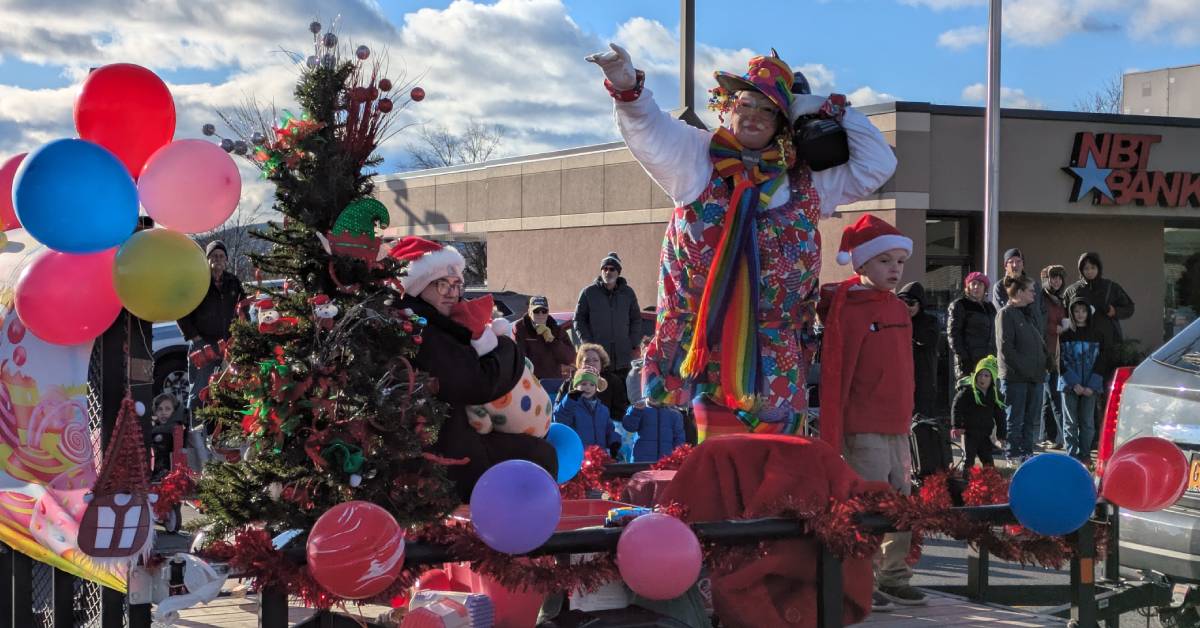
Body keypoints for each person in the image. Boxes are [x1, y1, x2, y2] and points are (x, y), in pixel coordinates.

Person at [587, 45, 896, 437]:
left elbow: (879, 163)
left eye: (768, 110)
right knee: (709, 469)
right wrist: (625, 84)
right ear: (728, 107)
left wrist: (820, 106)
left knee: (776, 471)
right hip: (697, 354)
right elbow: (648, 128)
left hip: (776, 360)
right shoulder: (695, 156)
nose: (753, 116)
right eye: (746, 103)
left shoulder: (807, 180)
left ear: (785, 121)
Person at [390, 236, 557, 502]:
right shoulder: (420, 329)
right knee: (539, 458)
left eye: (456, 285)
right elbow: (476, 381)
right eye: (442, 285)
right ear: (418, 286)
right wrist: (506, 348)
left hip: (458, 444)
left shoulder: (445, 323)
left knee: (540, 456)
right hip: (450, 456)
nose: (453, 293)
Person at [817, 215, 925, 607]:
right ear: (861, 264)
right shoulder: (850, 309)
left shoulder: (897, 309)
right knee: (868, 506)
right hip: (863, 428)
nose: (894, 268)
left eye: (899, 261)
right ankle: (859, 578)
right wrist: (835, 430)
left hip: (898, 424)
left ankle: (894, 574)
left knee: (902, 503)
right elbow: (837, 372)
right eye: (884, 261)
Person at [177, 240, 245, 432]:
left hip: (229, 344)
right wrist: (195, 337)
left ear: (227, 260)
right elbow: (181, 310)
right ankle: (196, 436)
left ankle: (225, 433)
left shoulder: (234, 282)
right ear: (206, 260)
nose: (218, 259)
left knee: (229, 388)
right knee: (199, 391)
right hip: (203, 345)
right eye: (213, 256)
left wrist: (241, 331)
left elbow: (244, 307)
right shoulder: (197, 282)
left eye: (221, 256)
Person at [995, 275, 1047, 463]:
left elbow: (1038, 342)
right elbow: (1007, 348)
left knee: (1030, 419)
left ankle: (1027, 452)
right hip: (1016, 377)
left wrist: (1044, 363)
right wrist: (1025, 369)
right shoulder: (1006, 314)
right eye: (1030, 289)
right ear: (1019, 292)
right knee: (1015, 419)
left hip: (1034, 377)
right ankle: (1013, 454)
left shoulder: (1029, 314)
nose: (1034, 293)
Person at [573, 251, 642, 380]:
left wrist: (632, 343)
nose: (607, 272)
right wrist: (589, 344)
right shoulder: (589, 293)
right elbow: (578, 319)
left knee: (623, 397)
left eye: (612, 269)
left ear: (618, 272)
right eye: (604, 268)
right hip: (598, 361)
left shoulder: (628, 293)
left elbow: (636, 319)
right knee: (600, 396)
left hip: (623, 360)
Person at [1058, 296, 1106, 465]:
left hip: (1090, 386)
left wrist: (1092, 385)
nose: (1080, 314)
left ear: (1088, 313)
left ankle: (1085, 455)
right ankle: (1071, 456)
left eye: (1083, 311)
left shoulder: (1097, 335)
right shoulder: (1064, 335)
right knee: (1070, 422)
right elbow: (1059, 361)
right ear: (1071, 313)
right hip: (1070, 385)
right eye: (1076, 311)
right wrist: (1073, 383)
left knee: (1087, 422)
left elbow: (1102, 361)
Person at [950, 356, 1006, 469]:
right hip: (969, 433)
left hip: (985, 434)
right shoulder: (968, 391)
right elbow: (956, 407)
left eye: (986, 375)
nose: (982, 378)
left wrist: (1001, 435)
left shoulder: (995, 395)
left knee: (988, 462)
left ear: (992, 378)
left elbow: (1000, 416)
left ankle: (991, 482)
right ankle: (963, 480)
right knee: (968, 461)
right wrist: (956, 426)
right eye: (980, 375)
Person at [553, 366, 620, 457]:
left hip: (600, 456)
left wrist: (614, 442)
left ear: (596, 388)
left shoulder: (603, 409)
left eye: (592, 385)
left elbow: (609, 430)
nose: (588, 388)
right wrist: (569, 400)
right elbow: (560, 419)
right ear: (576, 386)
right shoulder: (571, 406)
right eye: (584, 384)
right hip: (579, 456)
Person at [557, 343, 629, 421]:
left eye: (595, 360)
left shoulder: (613, 381)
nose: (591, 363)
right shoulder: (569, 384)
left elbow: (620, 412)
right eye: (587, 360)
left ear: (601, 363)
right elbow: (558, 412)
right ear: (580, 364)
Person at [947, 272, 997, 382]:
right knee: (968, 395)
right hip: (968, 361)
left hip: (988, 360)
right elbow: (953, 335)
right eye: (973, 284)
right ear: (967, 287)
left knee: (987, 396)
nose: (976, 287)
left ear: (985, 288)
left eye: (980, 284)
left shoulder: (990, 307)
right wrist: (964, 358)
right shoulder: (960, 305)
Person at [899, 282, 939, 418]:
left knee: (921, 423)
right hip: (899, 379)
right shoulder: (893, 321)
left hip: (922, 379)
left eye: (910, 303)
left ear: (920, 304)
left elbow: (927, 342)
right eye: (901, 302)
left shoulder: (930, 322)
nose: (906, 307)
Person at [1039, 265, 1069, 449]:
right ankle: (1064, 437)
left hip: (1059, 351)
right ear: (1046, 279)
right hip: (1046, 352)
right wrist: (1055, 329)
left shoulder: (1061, 299)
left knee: (1047, 397)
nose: (1056, 281)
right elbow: (1039, 322)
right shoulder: (1041, 299)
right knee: (1055, 395)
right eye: (1053, 278)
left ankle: (1046, 435)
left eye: (1059, 278)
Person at [514, 295, 576, 381]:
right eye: (536, 311)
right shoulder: (521, 328)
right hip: (530, 382)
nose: (540, 314)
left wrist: (552, 340)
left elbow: (569, 358)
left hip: (553, 381)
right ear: (529, 312)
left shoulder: (556, 329)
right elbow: (520, 360)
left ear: (548, 312)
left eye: (544, 311)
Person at [993, 248, 1045, 329]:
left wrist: (1042, 329)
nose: (1015, 265)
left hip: (1037, 334)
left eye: (1018, 261)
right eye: (1011, 262)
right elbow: (1002, 313)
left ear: (1023, 264)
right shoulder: (1000, 287)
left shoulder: (1034, 285)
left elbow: (1042, 310)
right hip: (1016, 334)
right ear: (1005, 266)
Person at [148, 393, 182, 480]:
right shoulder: (153, 429)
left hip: (167, 476)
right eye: (160, 409)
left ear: (174, 411)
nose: (163, 413)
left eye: (168, 409)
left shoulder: (174, 429)